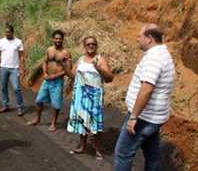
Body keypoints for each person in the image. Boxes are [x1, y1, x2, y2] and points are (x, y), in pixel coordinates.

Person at [114, 24, 175, 171]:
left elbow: (146, 89)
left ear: (149, 39)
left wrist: (134, 117)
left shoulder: (154, 58)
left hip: (144, 118)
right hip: (154, 117)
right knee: (152, 154)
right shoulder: (163, 54)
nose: (137, 39)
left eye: (140, 36)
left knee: (123, 153)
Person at [63, 36, 113, 160]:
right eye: (88, 44)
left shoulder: (100, 59)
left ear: (96, 46)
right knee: (81, 120)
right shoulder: (80, 59)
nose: (91, 46)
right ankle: (83, 146)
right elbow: (73, 76)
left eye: (93, 44)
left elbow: (110, 78)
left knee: (95, 122)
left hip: (94, 96)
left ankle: (97, 149)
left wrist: (99, 68)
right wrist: (65, 67)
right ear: (84, 46)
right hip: (80, 95)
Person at [27, 30, 72, 132]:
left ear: (62, 39)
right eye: (56, 38)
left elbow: (68, 70)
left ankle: (53, 123)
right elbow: (45, 62)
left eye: (60, 38)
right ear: (52, 39)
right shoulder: (49, 50)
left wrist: (55, 76)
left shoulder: (66, 53)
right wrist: (45, 73)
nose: (58, 40)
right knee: (39, 100)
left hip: (57, 81)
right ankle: (37, 119)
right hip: (47, 80)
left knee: (56, 104)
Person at [0, 24, 25, 116]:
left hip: (14, 69)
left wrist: (22, 68)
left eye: (8, 32)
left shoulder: (18, 42)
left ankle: (20, 107)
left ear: (12, 32)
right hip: (3, 67)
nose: (7, 34)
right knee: (3, 88)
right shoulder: (1, 41)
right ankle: (5, 105)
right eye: (6, 32)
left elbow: (22, 56)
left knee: (16, 88)